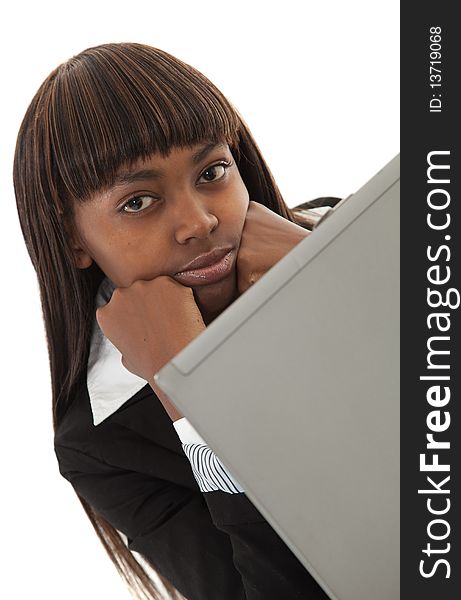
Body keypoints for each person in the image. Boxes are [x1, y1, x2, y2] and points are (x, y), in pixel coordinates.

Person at [13, 42, 338, 600]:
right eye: (138, 202)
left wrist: (330, 298)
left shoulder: (360, 232)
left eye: (212, 170)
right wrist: (192, 403)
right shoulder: (103, 443)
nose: (200, 221)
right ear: (72, 240)